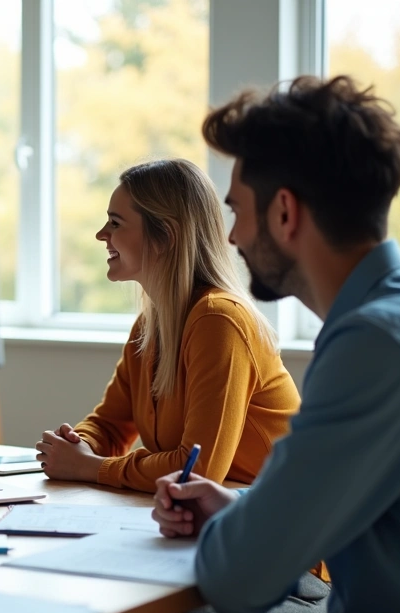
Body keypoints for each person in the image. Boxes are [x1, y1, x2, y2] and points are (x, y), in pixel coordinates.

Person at [143, 76, 400, 613]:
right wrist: (240, 510)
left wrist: (240, 531)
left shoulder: (377, 347)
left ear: (285, 213)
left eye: (237, 210)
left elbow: (237, 579)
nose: (234, 236)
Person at [36, 158, 300, 494]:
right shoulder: (151, 323)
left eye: (115, 223)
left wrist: (90, 467)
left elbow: (197, 472)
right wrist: (76, 444)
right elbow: (111, 426)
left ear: (166, 237)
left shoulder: (219, 321)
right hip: (215, 517)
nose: (101, 235)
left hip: (276, 523)